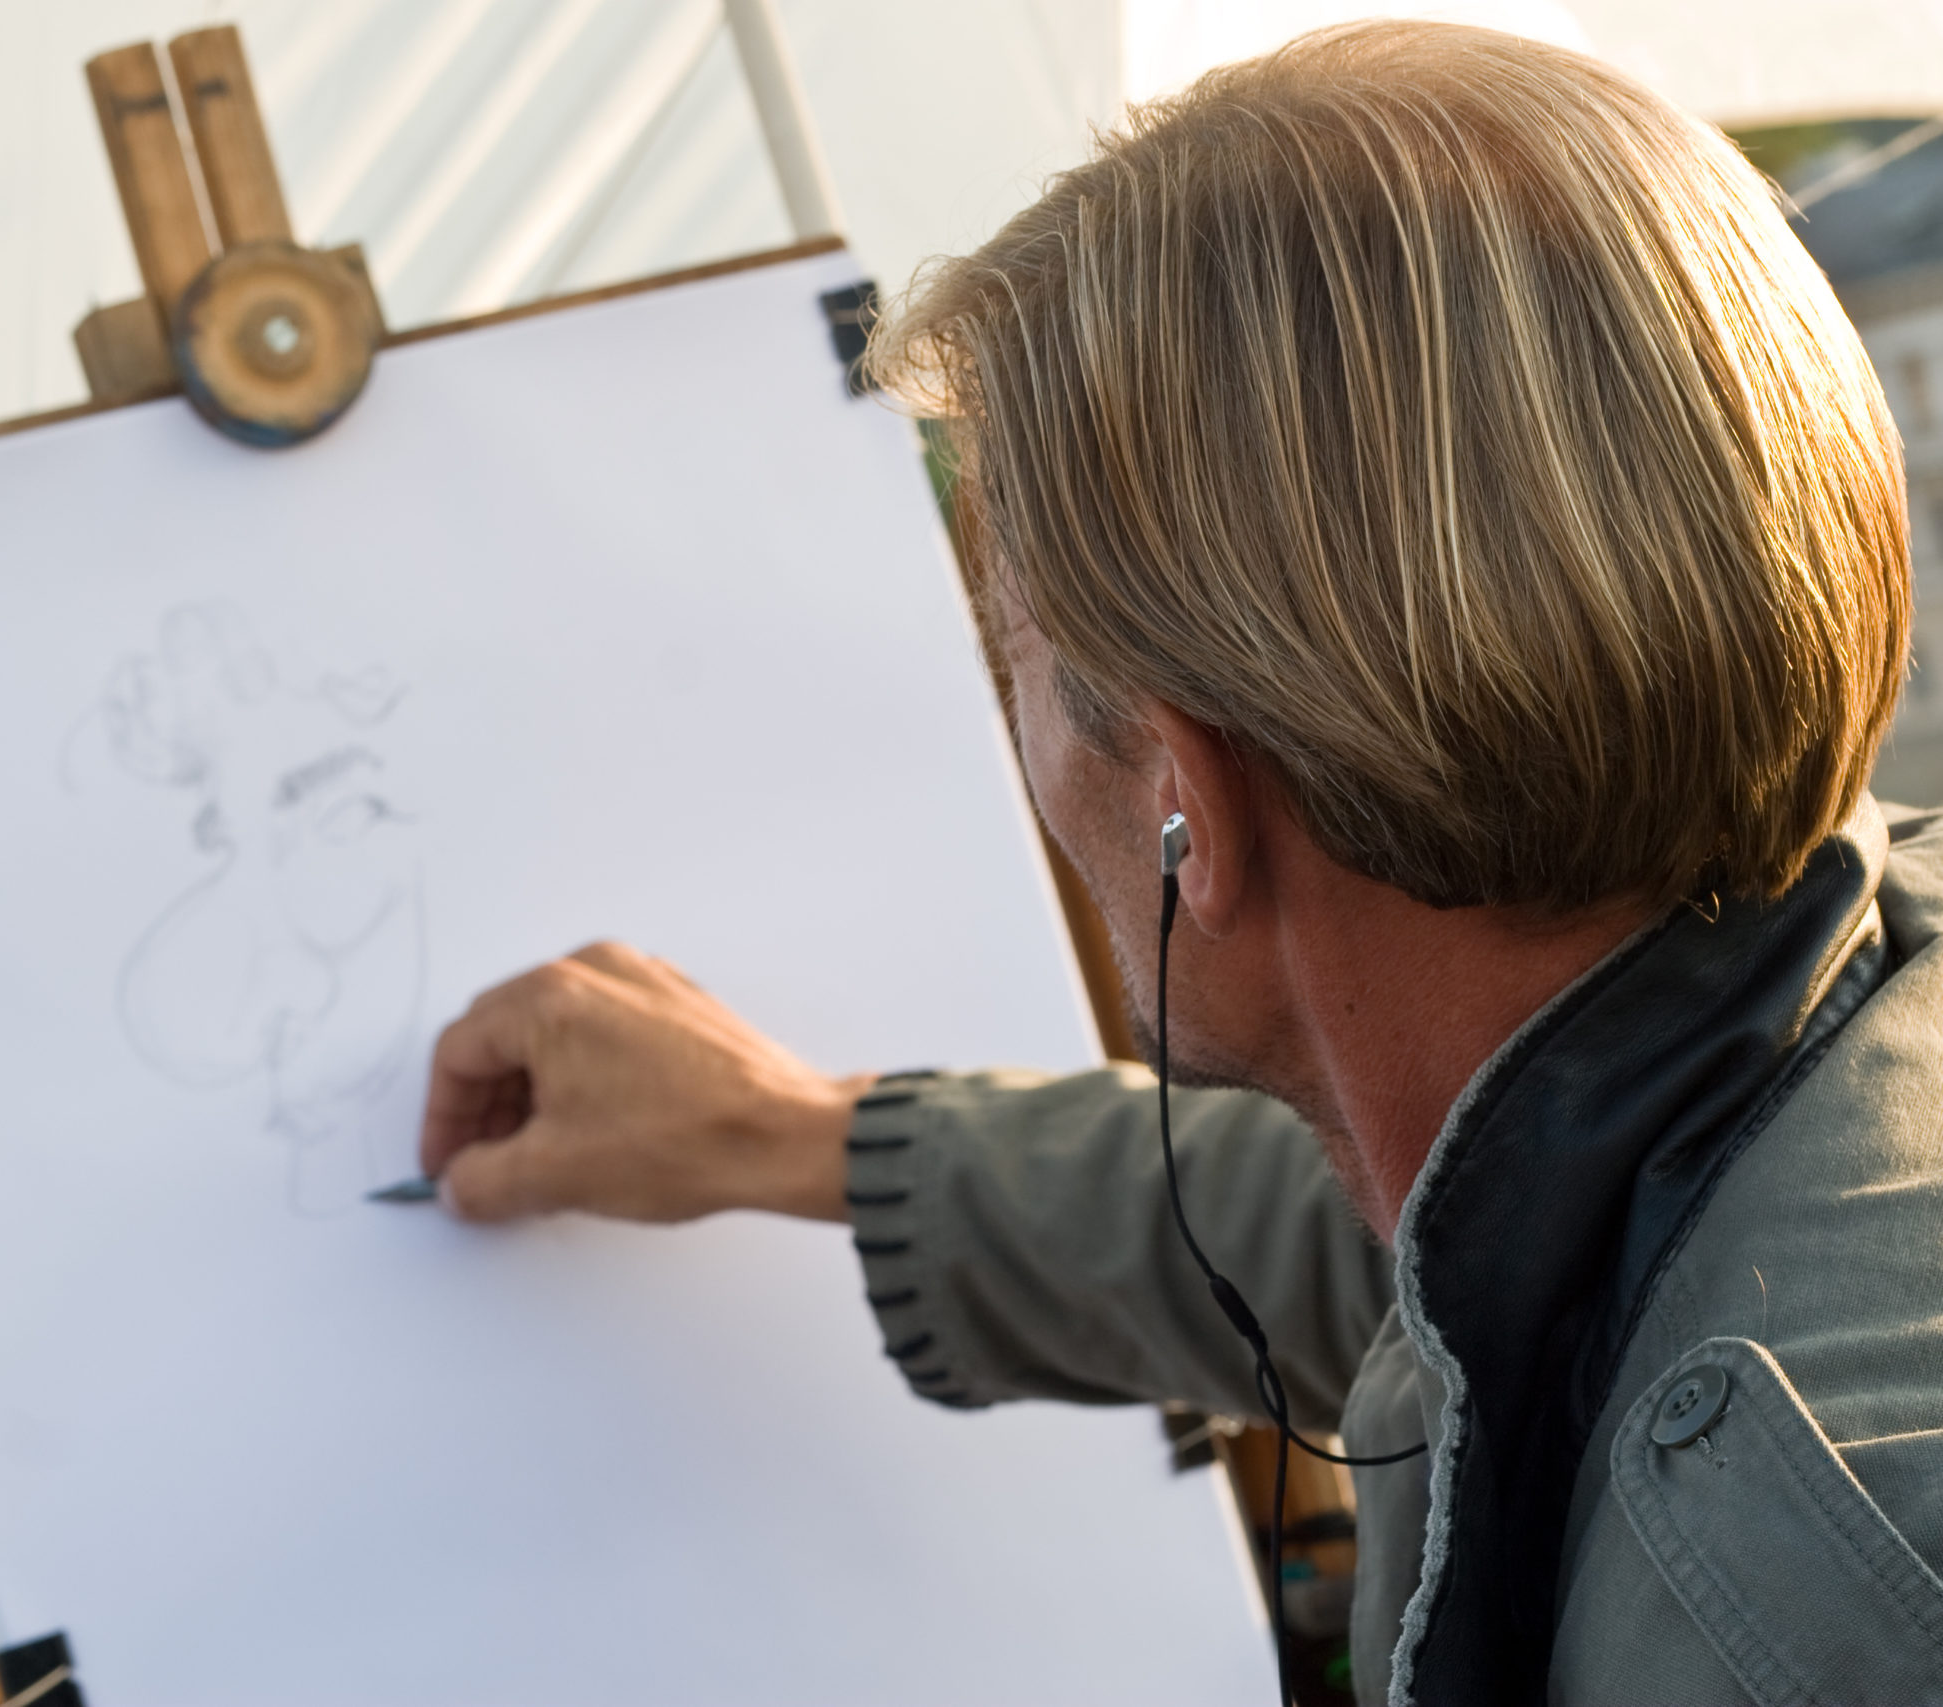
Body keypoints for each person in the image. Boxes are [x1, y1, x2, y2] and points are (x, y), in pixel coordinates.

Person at [414, 21, 1943, 1707]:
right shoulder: (1802, 1026)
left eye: (1015, 671)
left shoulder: (1784, 1604)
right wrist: (792, 1137)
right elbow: (1386, 1242)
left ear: (1184, 809)